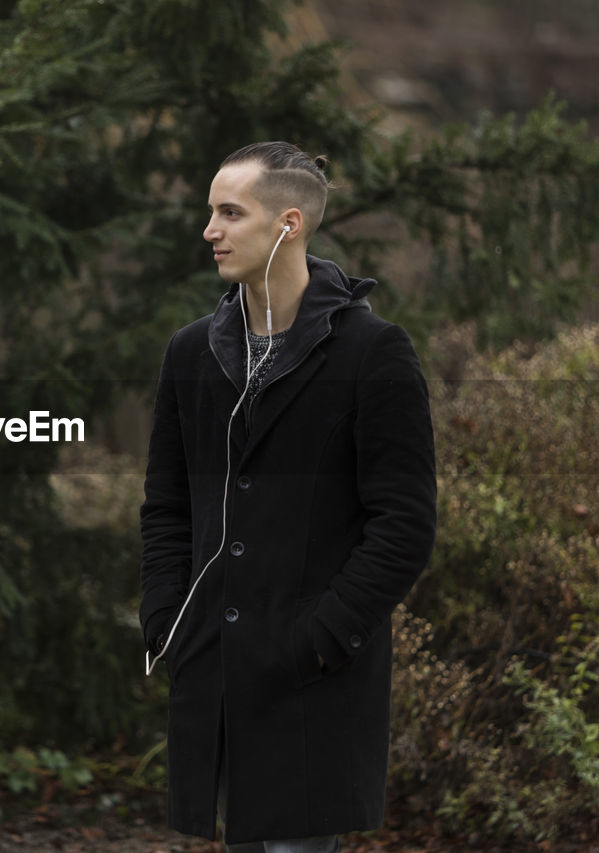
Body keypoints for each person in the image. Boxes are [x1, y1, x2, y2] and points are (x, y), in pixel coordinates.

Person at [138, 141, 437, 851]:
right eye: (211, 212)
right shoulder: (190, 354)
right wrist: (166, 622)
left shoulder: (374, 354)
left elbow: (403, 525)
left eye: (229, 212)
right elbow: (166, 505)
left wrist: (317, 641)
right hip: (216, 672)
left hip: (315, 683)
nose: (209, 229)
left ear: (288, 224)